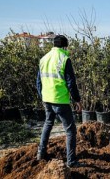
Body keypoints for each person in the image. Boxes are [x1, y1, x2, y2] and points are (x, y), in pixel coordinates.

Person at [36, 35, 83, 167]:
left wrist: (43, 96)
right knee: (70, 130)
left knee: (48, 123)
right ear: (64, 46)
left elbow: (38, 82)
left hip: (47, 99)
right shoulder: (64, 59)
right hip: (60, 100)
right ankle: (71, 161)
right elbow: (71, 82)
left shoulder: (43, 59)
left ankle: (41, 153)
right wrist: (77, 100)